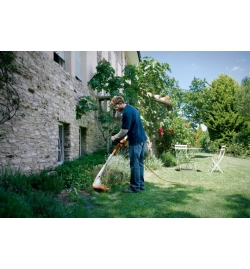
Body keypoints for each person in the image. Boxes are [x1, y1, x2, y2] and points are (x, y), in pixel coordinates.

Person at [110, 96, 147, 193]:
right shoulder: (132, 109)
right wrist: (126, 138)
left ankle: (134, 187)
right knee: (140, 164)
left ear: (121, 103)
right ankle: (140, 185)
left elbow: (124, 130)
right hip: (142, 140)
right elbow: (133, 127)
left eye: (116, 107)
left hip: (135, 141)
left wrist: (115, 137)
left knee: (134, 164)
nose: (116, 109)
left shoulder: (126, 113)